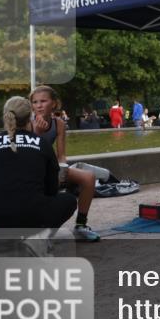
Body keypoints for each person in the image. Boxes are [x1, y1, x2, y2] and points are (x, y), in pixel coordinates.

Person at [0, 96, 77, 233]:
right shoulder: (42, 143)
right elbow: (51, 189)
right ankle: (40, 236)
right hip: (32, 219)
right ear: (30, 117)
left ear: (5, 116)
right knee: (69, 200)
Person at [30, 85, 101, 241]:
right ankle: (43, 231)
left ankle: (81, 226)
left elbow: (61, 155)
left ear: (54, 104)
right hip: (32, 170)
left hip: (51, 167)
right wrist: (36, 133)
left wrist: (61, 170)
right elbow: (27, 155)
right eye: (35, 102)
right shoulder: (28, 123)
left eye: (43, 101)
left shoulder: (59, 123)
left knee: (89, 178)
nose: (39, 105)